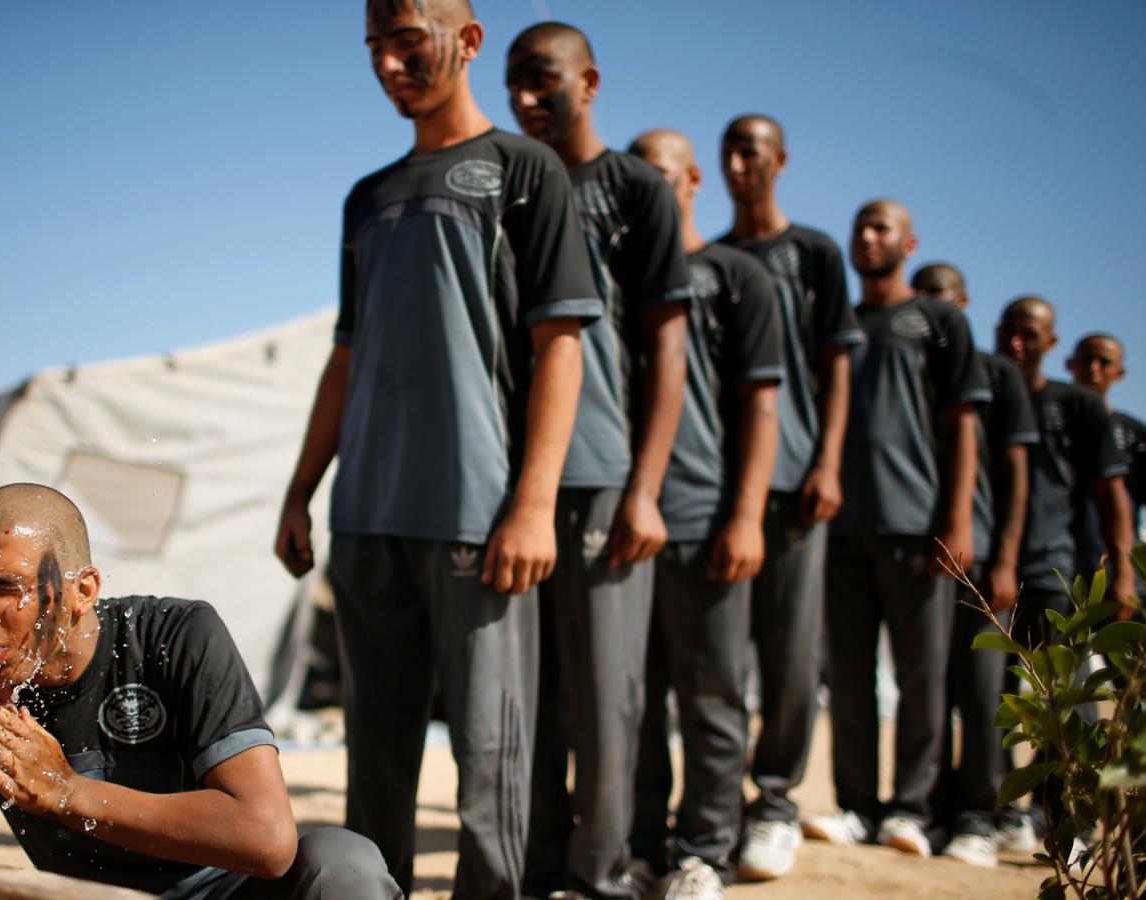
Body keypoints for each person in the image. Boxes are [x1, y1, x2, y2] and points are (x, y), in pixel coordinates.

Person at [273, 3, 598, 897]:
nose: (386, 63)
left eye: (406, 40)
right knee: (373, 760)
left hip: (476, 517)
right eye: (374, 46)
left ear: (467, 38)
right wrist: (303, 489)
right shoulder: (367, 197)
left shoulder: (522, 170)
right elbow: (347, 353)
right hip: (366, 515)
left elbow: (560, 346)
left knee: (491, 763)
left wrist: (531, 504)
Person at [0, 483, 399, 900]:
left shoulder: (174, 636)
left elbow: (266, 838)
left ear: (83, 590)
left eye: (6, 588)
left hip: (225, 892)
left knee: (342, 864)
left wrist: (64, 791)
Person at [503, 22, 691, 899]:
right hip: (507, 478)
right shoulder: (505, 179)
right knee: (526, 697)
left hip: (603, 475)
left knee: (607, 696)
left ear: (590, 80)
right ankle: (538, 869)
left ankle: (603, 874)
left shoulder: (637, 190)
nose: (525, 99)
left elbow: (666, 349)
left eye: (541, 79)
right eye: (511, 83)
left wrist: (644, 488)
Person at [803, 201, 987, 857]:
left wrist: (957, 519)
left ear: (907, 242)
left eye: (880, 227)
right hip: (839, 527)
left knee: (921, 674)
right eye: (859, 227)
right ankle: (857, 805)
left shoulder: (937, 321)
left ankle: (912, 810)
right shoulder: (840, 322)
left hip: (917, 528)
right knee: (848, 676)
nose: (867, 237)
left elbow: (963, 422)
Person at [626, 129, 783, 899]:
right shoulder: (615, 273)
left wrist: (745, 515)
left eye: (660, 174)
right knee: (633, 700)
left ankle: (704, 853)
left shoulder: (735, 276)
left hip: (703, 518)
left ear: (690, 178)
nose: (648, 188)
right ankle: (644, 846)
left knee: (712, 696)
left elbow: (761, 407)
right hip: (623, 523)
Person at [714, 114, 862, 880]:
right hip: (718, 483)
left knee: (792, 652)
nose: (739, 163)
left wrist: (827, 460)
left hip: (797, 478)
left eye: (752, 151)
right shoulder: (713, 258)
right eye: (729, 151)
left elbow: (837, 364)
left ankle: (774, 803)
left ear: (780, 161)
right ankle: (717, 807)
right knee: (719, 656)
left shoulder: (814, 253)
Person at [994, 297, 1134, 848]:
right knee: (993, 696)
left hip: (1054, 568)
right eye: (1010, 331)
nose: (1018, 343)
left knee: (1067, 699)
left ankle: (1057, 816)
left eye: (1030, 333)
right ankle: (999, 812)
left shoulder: (1078, 405)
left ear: (1052, 342)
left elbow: (1111, 495)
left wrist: (1122, 569)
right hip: (985, 570)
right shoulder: (988, 394)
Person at [912, 263, 1038, 867]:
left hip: (980, 555)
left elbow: (1015, 475)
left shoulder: (998, 374)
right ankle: (933, 812)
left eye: (941, 297)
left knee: (984, 692)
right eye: (923, 296)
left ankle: (981, 817)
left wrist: (1006, 557)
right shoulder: (910, 365)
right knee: (927, 688)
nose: (931, 306)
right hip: (923, 555)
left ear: (961, 302)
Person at [1066, 332, 1146, 578]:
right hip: (1058, 565)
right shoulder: (1050, 421)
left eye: (1104, 362)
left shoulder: (1137, 433)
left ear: (1120, 372)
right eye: (1086, 359)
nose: (1093, 369)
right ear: (1070, 364)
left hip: (1118, 570)